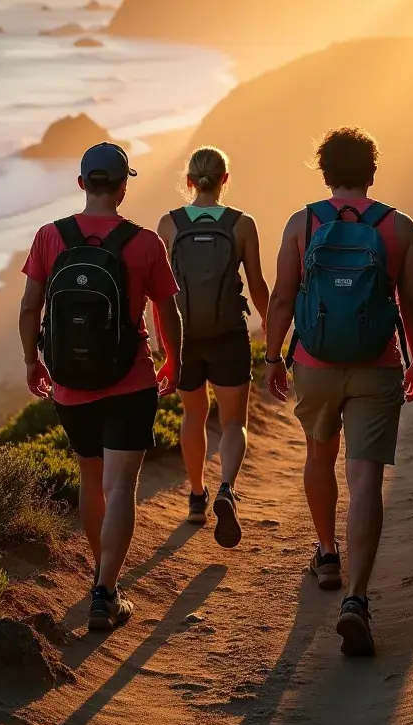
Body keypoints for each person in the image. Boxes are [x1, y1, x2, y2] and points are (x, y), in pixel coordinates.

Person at [265, 127, 413, 657]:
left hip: (314, 362)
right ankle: (356, 599)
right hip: (377, 364)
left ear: (326, 174)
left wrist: (272, 357)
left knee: (318, 453)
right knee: (365, 478)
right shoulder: (397, 226)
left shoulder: (303, 222)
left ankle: (327, 553)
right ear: (372, 174)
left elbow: (282, 298)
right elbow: (412, 303)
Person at [19, 141, 182, 632]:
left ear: (82, 183)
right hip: (129, 381)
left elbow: (30, 308)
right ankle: (107, 589)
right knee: (120, 487)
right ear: (124, 186)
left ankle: (101, 576)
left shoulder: (50, 237)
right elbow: (166, 310)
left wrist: (32, 361)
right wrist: (174, 359)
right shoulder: (145, 242)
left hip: (70, 385)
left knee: (93, 482)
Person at [156, 147, 270, 548]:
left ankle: (196, 496)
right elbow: (256, 284)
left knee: (193, 415)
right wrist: (273, 326)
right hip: (228, 335)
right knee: (233, 421)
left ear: (189, 181)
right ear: (225, 179)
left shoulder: (168, 225)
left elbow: (161, 294)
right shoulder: (242, 224)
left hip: (186, 338)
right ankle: (226, 488)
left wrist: (162, 344)